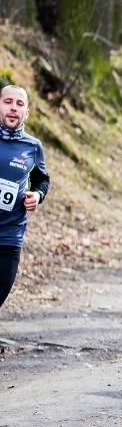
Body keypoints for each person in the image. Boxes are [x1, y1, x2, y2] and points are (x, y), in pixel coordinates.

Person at [0, 85, 50, 308]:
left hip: (11, 234)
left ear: (26, 112)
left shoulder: (32, 147)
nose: (13, 108)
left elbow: (42, 180)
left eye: (19, 104)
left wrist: (37, 196)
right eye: (8, 102)